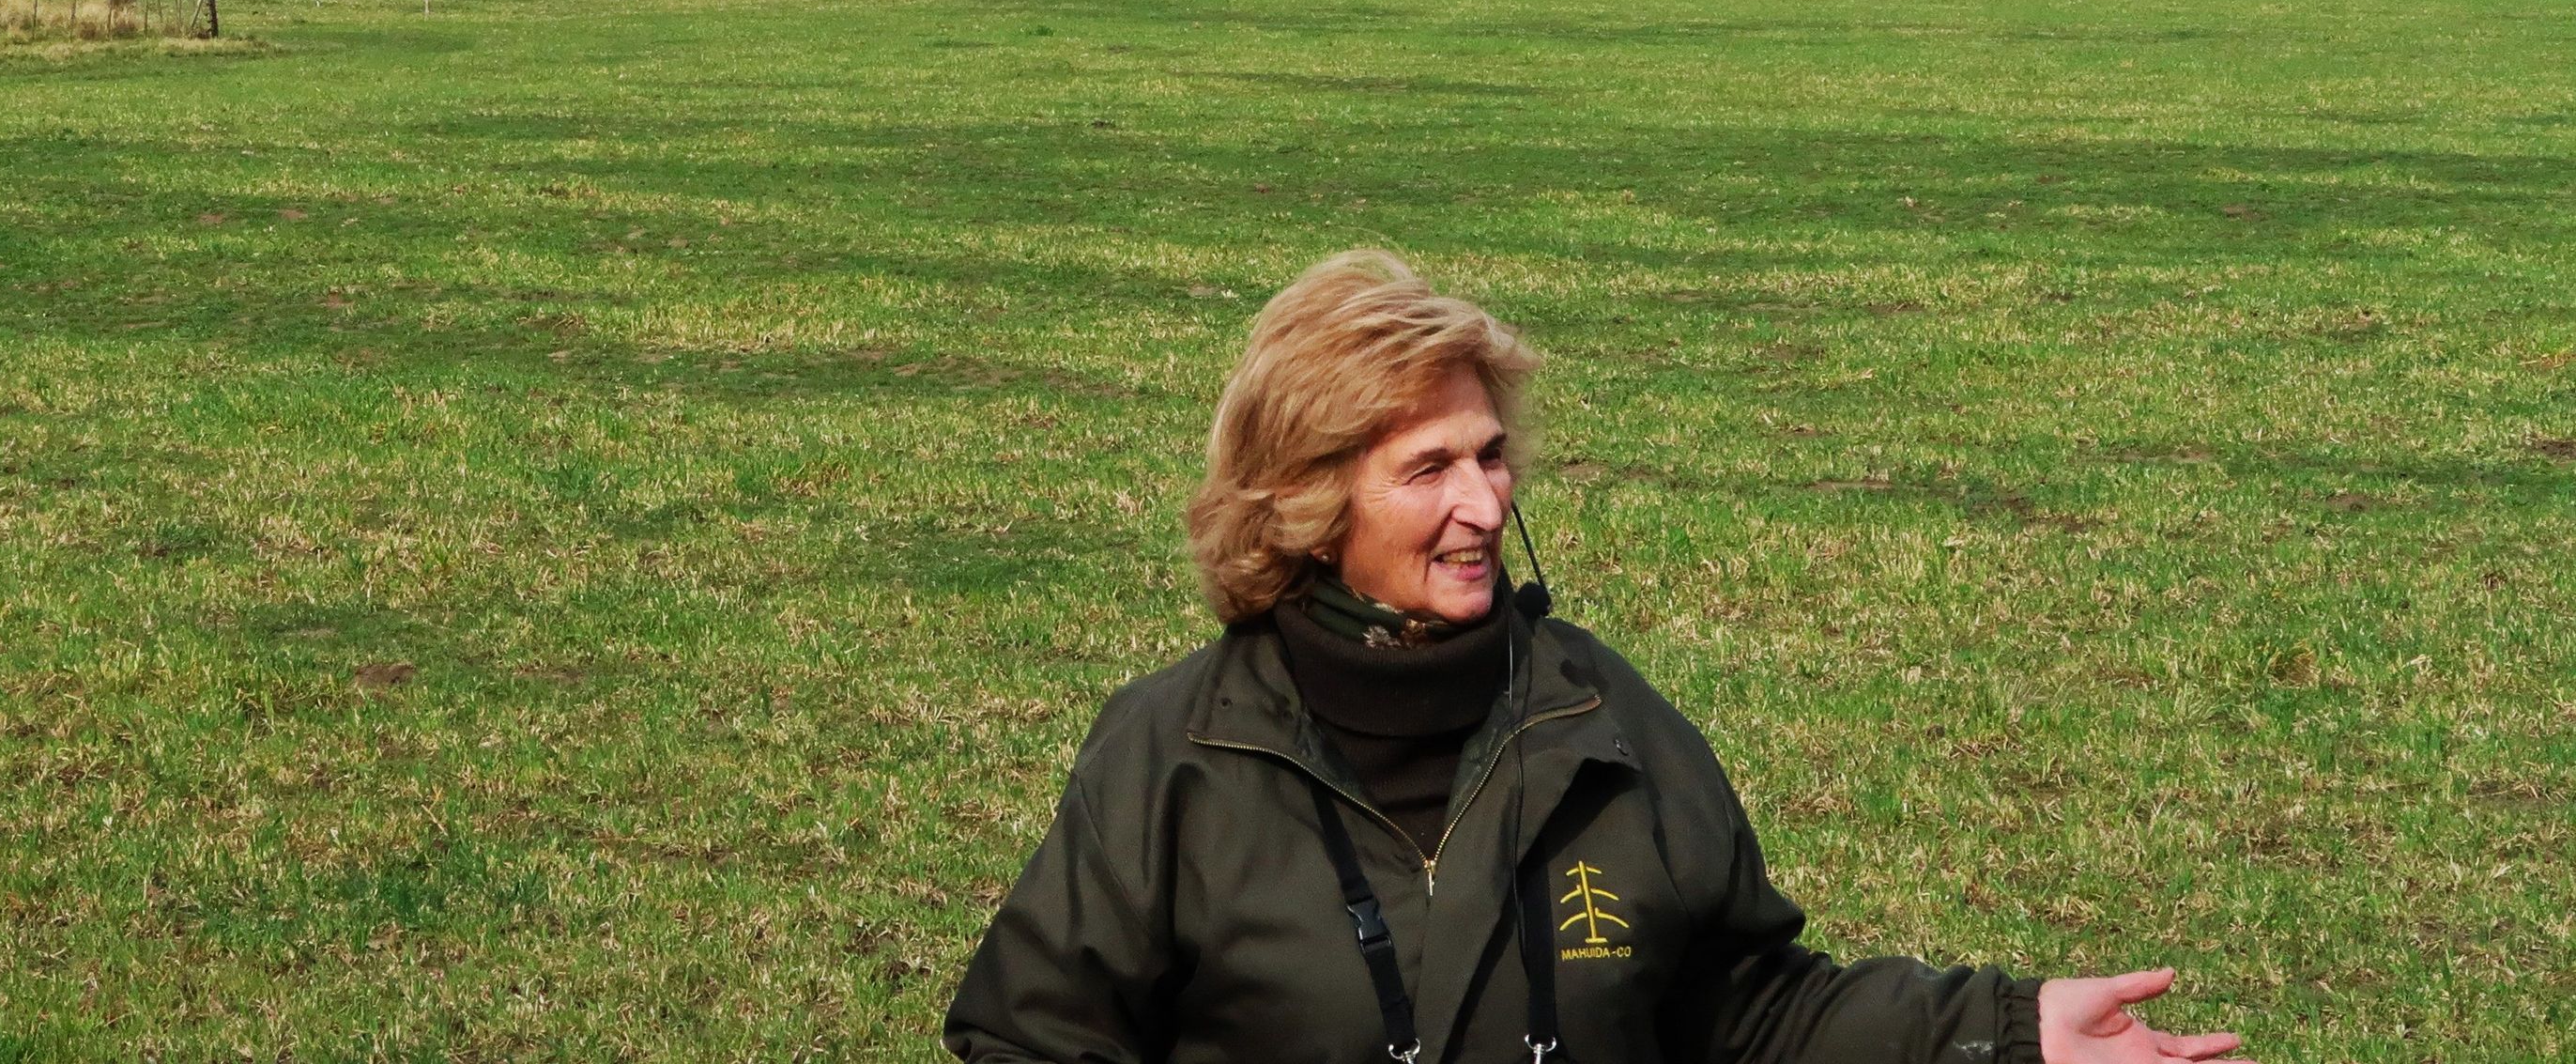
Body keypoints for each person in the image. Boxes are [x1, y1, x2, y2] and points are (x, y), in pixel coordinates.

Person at [944, 254, 2241, 1064]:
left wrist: (2012, 1034)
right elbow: (1032, 1037)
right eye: (1429, 469)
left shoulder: (1601, 718)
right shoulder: (1175, 752)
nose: (1485, 506)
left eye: (1492, 454)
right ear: (1307, 499)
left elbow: (1744, 1014)